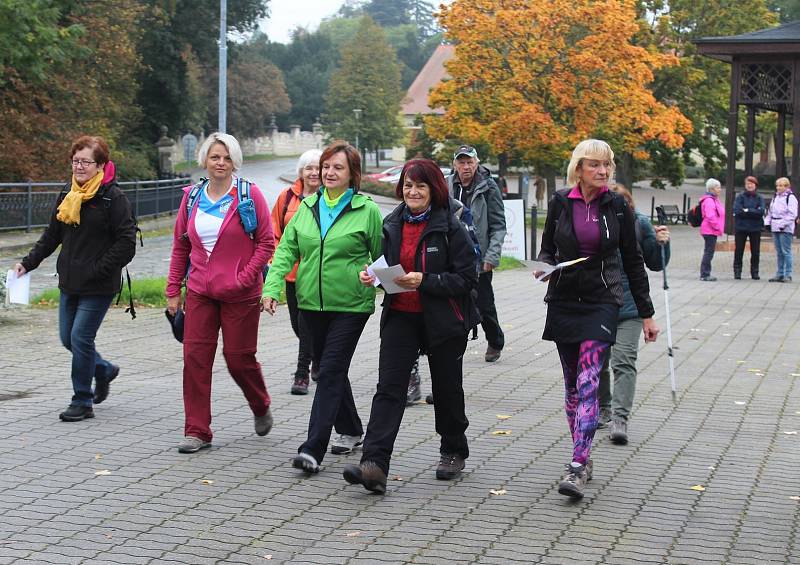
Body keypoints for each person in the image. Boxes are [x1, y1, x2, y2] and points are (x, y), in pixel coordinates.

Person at [341, 159, 480, 494]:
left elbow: (467, 277)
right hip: (401, 315)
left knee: (446, 389)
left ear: (433, 189)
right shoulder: (392, 222)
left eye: (420, 186)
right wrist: (372, 276)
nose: (413, 192)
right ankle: (374, 464)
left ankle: (453, 451)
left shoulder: (450, 226)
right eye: (407, 185)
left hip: (444, 319)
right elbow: (389, 267)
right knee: (389, 389)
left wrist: (426, 280)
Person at [535, 139, 658, 499]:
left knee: (590, 382)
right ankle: (583, 456)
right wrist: (543, 267)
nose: (603, 172)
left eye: (607, 166)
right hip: (563, 300)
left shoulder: (618, 205)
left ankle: (577, 464)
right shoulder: (560, 202)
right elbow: (547, 247)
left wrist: (646, 314)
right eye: (595, 165)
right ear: (579, 168)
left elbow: (633, 262)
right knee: (573, 385)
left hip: (602, 301)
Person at [262, 141, 383, 474]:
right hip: (310, 304)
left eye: (337, 168)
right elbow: (286, 250)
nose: (329, 173)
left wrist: (375, 276)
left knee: (327, 371)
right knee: (329, 370)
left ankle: (312, 448)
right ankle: (353, 428)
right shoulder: (307, 206)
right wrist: (272, 288)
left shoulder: (367, 210)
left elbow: (384, 255)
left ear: (351, 174)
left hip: (351, 306)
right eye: (326, 166)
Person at [166, 132, 275, 454]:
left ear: (235, 162)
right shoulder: (193, 197)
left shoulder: (248, 195)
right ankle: (197, 430)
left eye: (226, 158)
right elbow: (181, 245)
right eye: (215, 157)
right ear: (205, 160)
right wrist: (174, 289)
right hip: (200, 291)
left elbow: (266, 242)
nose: (220, 163)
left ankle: (260, 403)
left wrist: (244, 278)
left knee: (238, 359)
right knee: (195, 358)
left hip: (240, 293)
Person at [14, 136, 136, 422]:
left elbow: (126, 242)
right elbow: (52, 235)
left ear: (101, 165)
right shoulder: (67, 193)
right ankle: (103, 369)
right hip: (70, 280)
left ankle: (82, 400)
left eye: (86, 162)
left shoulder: (112, 198)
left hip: (99, 283)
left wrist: (99, 268)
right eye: (76, 161)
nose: (79, 166)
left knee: (81, 338)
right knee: (68, 338)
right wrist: (27, 264)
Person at [597, 185, 670, 445]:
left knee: (624, 360)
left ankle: (620, 417)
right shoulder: (595, 224)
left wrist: (662, 244)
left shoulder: (640, 223)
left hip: (630, 306)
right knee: (597, 363)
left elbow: (655, 263)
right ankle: (603, 407)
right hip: (599, 304)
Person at [448, 145, 506, 362]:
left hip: (478, 256)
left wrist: (492, 255)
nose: (466, 167)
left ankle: (495, 340)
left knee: (484, 303)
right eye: (461, 162)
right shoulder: (446, 185)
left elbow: (498, 225)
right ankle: (453, 344)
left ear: (477, 163)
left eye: (469, 162)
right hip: (453, 254)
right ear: (455, 164)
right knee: (452, 303)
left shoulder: (488, 187)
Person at [271, 149, 322, 395]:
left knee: (306, 323)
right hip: (292, 273)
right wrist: (276, 260)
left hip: (317, 273)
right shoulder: (287, 197)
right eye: (308, 168)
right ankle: (317, 359)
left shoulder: (329, 197)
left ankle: (302, 372)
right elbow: (275, 232)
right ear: (301, 172)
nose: (313, 172)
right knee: (297, 323)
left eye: (317, 168)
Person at [766, 176, 798, 283]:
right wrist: (767, 222)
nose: (778, 188)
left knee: (786, 251)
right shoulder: (775, 197)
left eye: (781, 186)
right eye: (777, 186)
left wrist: (783, 224)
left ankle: (788, 274)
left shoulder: (791, 197)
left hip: (785, 228)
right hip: (775, 226)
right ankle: (780, 273)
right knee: (779, 252)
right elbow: (771, 211)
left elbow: (792, 214)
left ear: (787, 186)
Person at [733, 176, 765, 280]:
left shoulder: (759, 198)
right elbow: (737, 211)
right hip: (741, 227)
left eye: (752, 183)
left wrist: (747, 210)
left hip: (755, 228)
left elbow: (761, 212)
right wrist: (752, 211)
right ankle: (737, 271)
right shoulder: (740, 197)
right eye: (748, 183)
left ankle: (755, 272)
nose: (750, 185)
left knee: (755, 251)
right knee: (739, 250)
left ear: (756, 185)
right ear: (745, 185)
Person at [699, 178, 725, 281]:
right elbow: (710, 216)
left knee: (709, 251)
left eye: (719, 187)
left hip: (711, 230)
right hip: (709, 230)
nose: (720, 189)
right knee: (709, 252)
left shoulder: (714, 199)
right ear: (711, 189)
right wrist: (717, 227)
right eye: (717, 187)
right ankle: (705, 274)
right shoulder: (709, 200)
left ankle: (705, 273)